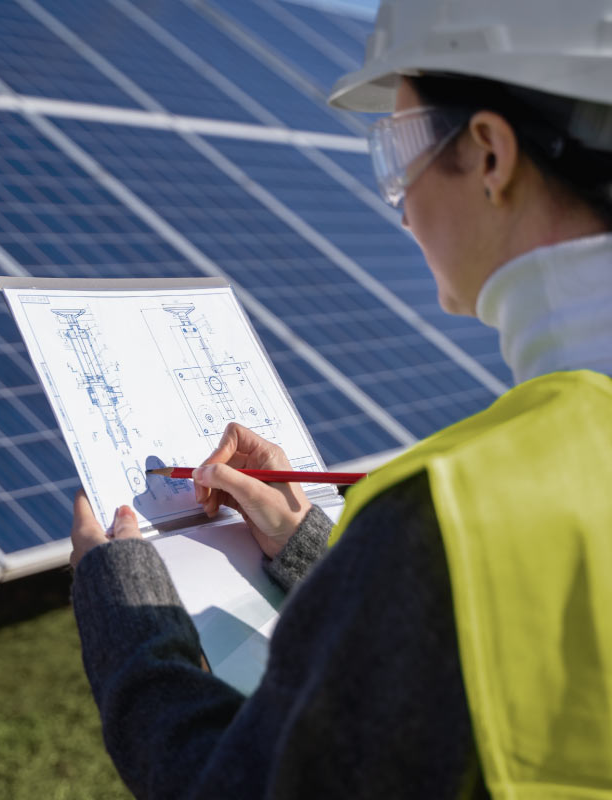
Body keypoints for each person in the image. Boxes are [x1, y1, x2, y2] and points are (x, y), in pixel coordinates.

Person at [69, 1, 612, 796]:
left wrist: (127, 619)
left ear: (491, 154)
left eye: (401, 154)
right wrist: (326, 559)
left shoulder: (448, 512)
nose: (400, 208)